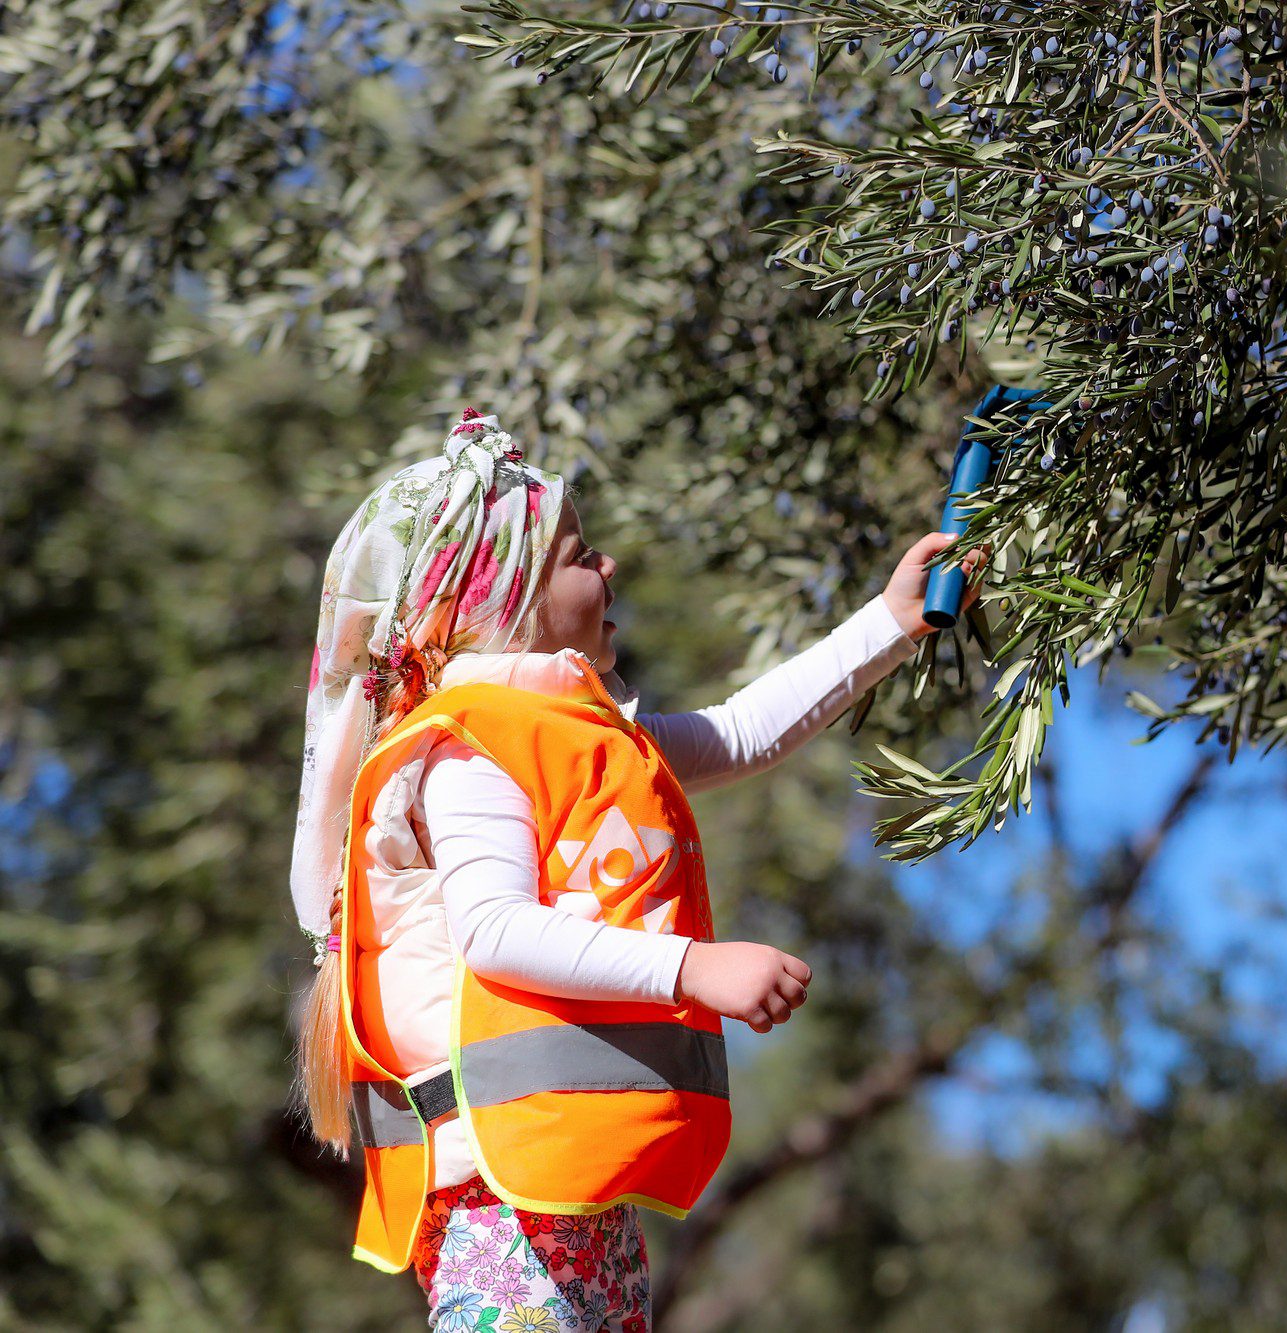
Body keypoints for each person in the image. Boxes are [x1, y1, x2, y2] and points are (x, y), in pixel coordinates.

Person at [288, 409, 987, 1330]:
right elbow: (496, 935)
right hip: (504, 1205)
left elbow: (741, 731)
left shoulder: (574, 737)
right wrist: (693, 968)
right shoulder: (470, 752)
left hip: (565, 1190)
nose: (609, 567)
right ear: (504, 602)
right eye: (582, 555)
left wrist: (891, 625)